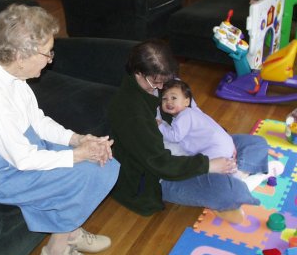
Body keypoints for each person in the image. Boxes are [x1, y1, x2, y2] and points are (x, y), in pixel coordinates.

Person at [0, 4, 120, 255]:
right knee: (87, 173)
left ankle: (71, 231)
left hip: (15, 148)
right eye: (47, 52)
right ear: (20, 54)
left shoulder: (10, 72)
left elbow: (36, 122)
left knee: (104, 162)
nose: (50, 59)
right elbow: (24, 159)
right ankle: (56, 252)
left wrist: (77, 139)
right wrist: (78, 155)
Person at [108, 39, 269, 224]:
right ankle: (230, 184)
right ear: (138, 72)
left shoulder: (168, 82)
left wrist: (222, 138)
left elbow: (196, 116)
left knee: (257, 144)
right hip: (164, 174)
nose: (161, 88)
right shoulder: (130, 111)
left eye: (165, 80)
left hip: (193, 147)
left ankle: (231, 179)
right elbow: (160, 163)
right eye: (155, 82)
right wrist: (209, 165)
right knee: (228, 190)